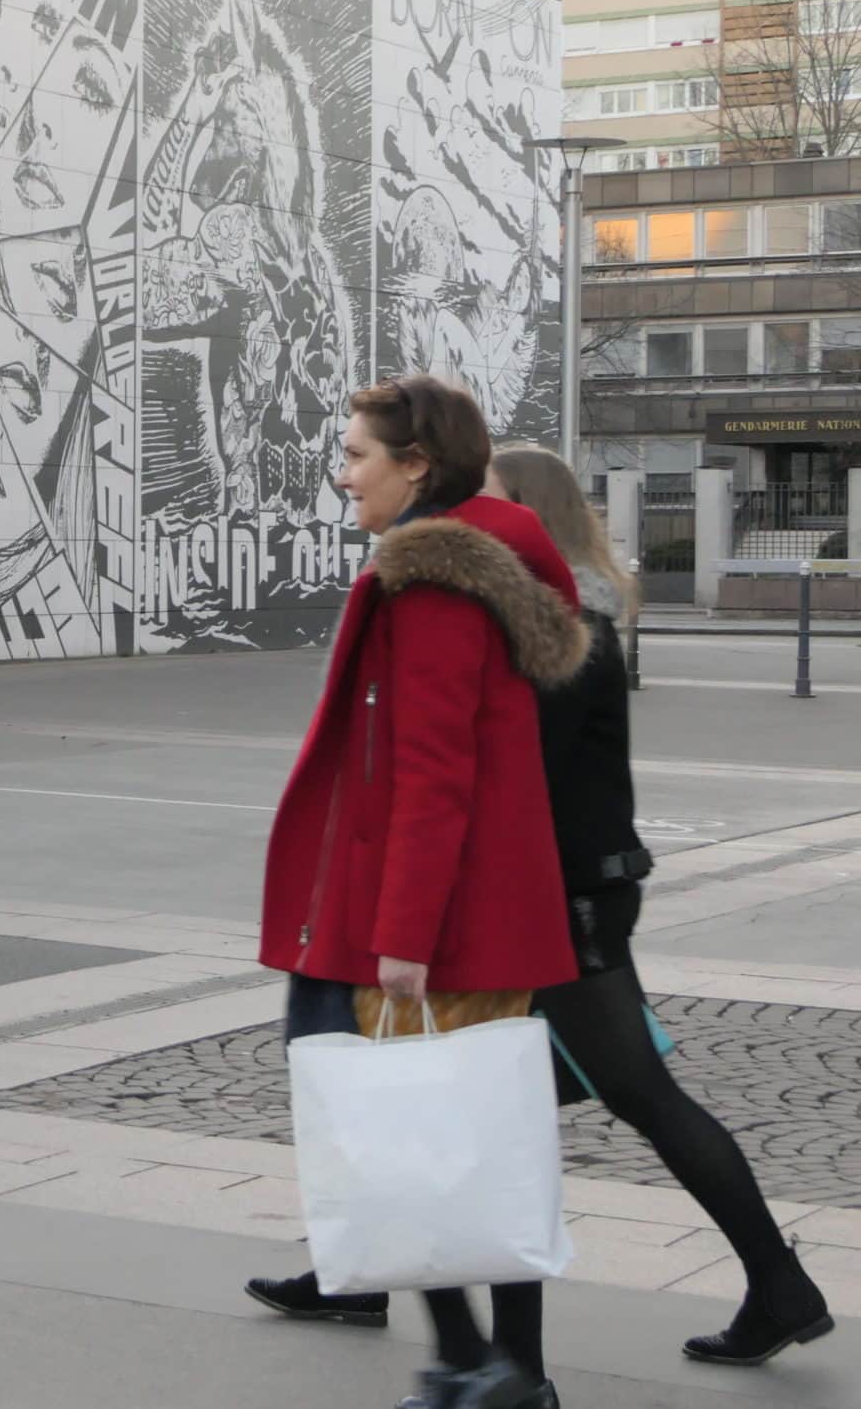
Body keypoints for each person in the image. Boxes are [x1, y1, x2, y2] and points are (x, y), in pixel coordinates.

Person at [247, 446, 839, 1386]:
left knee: (562, 1098)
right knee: (504, 1096)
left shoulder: (552, 632)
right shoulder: (573, 620)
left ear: (527, 516)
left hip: (553, 900)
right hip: (576, 888)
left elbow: (499, 779)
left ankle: (515, 1349)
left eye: (486, 506)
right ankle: (383, 1282)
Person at [253, 374, 588, 1409]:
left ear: (417, 466)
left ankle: (497, 1368)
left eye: (357, 455)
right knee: (454, 1132)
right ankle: (477, 1360)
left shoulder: (436, 581)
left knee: (447, 1136)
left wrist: (402, 936)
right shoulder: (467, 564)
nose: (342, 473)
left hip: (428, 921)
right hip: (426, 907)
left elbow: (432, 772)